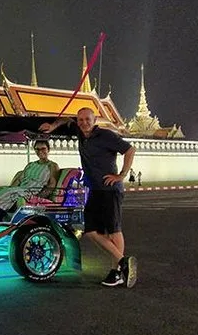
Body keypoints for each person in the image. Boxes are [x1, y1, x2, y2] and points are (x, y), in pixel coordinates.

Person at [40, 108, 138, 288]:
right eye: (81, 120)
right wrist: (53, 126)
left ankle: (116, 272)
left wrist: (121, 175)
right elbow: (66, 120)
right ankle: (123, 261)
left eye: (87, 119)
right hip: (94, 189)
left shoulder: (106, 135)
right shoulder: (80, 132)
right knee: (91, 230)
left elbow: (130, 149)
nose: (84, 122)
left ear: (94, 120)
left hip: (110, 189)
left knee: (113, 230)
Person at [0, 140, 59, 219]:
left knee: (9, 193)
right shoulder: (30, 165)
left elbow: (52, 184)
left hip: (33, 191)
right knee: (7, 192)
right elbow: (20, 179)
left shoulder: (52, 165)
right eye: (37, 149)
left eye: (43, 149)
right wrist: (9, 189)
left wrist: (39, 197)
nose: (40, 151)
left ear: (48, 149)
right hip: (21, 189)